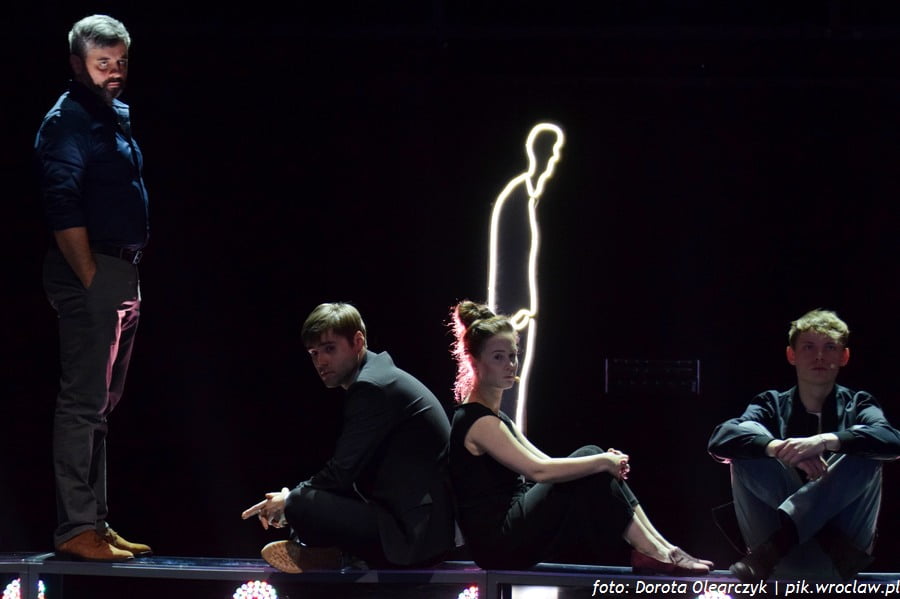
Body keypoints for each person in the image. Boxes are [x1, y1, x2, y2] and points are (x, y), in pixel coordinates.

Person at [447, 300, 712, 573]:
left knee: (593, 460)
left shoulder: (497, 418)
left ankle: (663, 549)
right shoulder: (477, 421)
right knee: (592, 457)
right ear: (474, 361)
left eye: (513, 355)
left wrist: (603, 462)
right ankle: (653, 552)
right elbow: (538, 471)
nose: (510, 365)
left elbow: (546, 461)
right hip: (498, 544)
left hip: (511, 533)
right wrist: (601, 461)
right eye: (498, 357)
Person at [35, 14, 151, 561]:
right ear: (77, 64)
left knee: (102, 405)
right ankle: (76, 527)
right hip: (92, 269)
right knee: (83, 403)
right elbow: (61, 201)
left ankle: (96, 525)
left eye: (121, 61)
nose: (115, 71)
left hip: (120, 269)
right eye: (103, 62)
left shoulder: (112, 114)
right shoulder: (68, 120)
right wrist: (90, 278)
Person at [242, 303, 455, 572]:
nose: (321, 361)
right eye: (314, 353)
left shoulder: (372, 387)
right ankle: (334, 553)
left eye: (330, 349)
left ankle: (337, 554)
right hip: (416, 527)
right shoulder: (379, 377)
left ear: (358, 342)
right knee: (305, 500)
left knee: (300, 504)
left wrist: (289, 499)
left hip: (413, 536)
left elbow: (341, 473)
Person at [708, 309, 900, 582]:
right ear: (792, 355)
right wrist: (778, 448)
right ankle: (810, 536)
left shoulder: (859, 403)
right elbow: (721, 439)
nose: (819, 356)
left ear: (844, 356)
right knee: (750, 434)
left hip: (836, 556)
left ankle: (782, 541)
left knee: (864, 439)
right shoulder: (770, 403)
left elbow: (893, 440)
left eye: (830, 347)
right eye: (809, 347)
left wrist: (825, 441)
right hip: (782, 554)